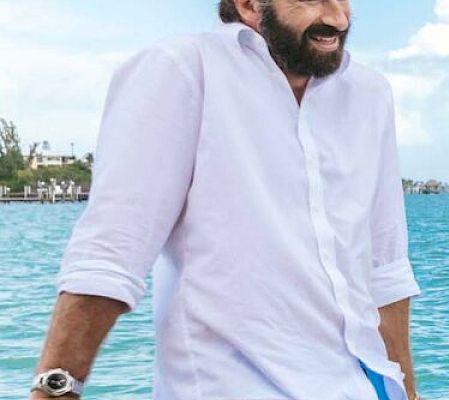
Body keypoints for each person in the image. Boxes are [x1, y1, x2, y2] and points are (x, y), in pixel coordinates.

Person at [29, 1, 418, 398]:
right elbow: (111, 253)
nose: (337, 18)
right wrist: (55, 390)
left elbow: (384, 269)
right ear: (248, 4)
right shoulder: (180, 70)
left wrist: (407, 390)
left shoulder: (370, 93)